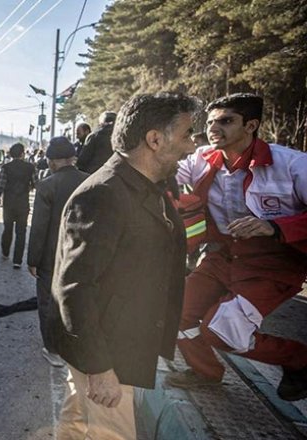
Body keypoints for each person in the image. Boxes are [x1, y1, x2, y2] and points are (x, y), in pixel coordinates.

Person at [53, 92, 199, 439]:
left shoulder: (145, 186)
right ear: (154, 139)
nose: (192, 146)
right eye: (187, 135)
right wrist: (100, 367)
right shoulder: (104, 194)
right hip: (106, 352)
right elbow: (75, 287)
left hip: (118, 344)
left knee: (76, 423)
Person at [166, 93, 307, 401]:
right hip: (221, 256)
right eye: (211, 121)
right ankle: (205, 373)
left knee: (222, 330)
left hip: (274, 265)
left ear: (251, 125)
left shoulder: (293, 164)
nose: (214, 128)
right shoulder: (202, 158)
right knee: (175, 311)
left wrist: (275, 227)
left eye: (226, 121)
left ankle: (299, 359)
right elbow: (165, 173)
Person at [26, 137, 88, 368]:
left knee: (48, 303)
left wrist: (32, 259)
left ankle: (52, 349)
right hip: (82, 253)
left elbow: (39, 227)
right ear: (73, 158)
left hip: (52, 257)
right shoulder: (89, 181)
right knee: (77, 300)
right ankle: (73, 345)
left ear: (51, 162)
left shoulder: (47, 185)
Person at [0, 143, 36, 269]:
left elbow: (1, 184)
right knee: (21, 232)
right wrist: (28, 188)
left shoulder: (5, 168)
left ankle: (5, 252)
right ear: (22, 153)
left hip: (9, 203)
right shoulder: (30, 167)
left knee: (7, 229)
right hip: (23, 203)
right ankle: (17, 260)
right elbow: (35, 183)